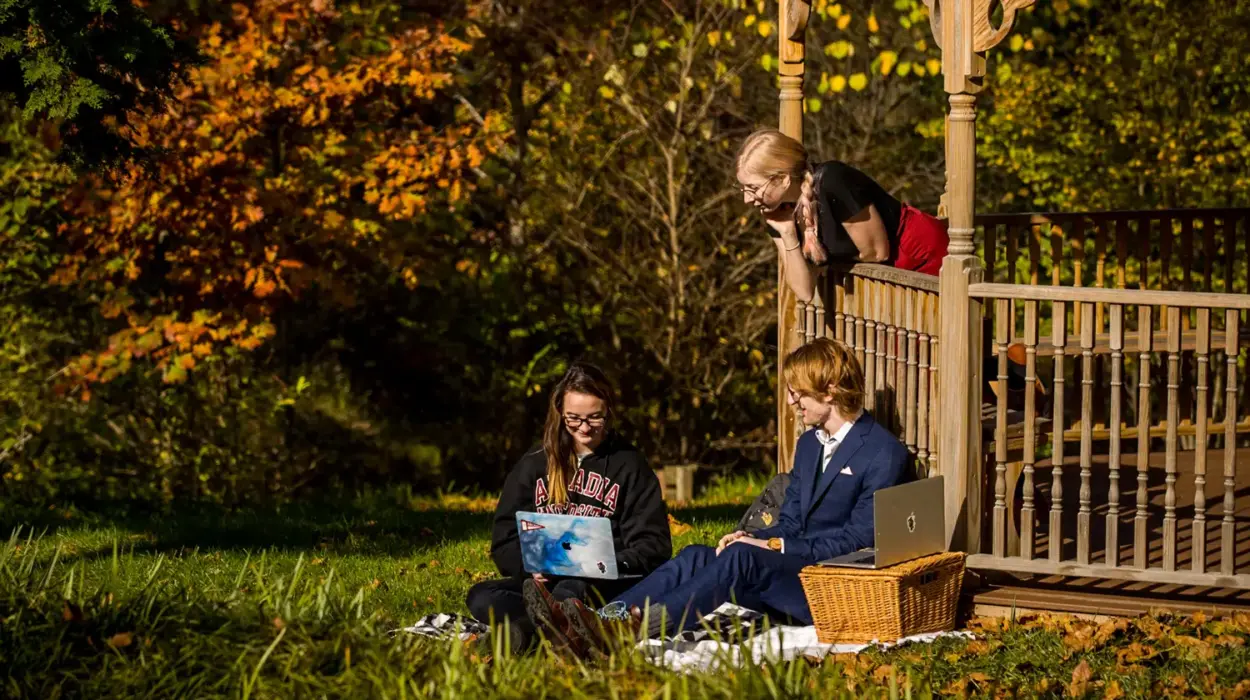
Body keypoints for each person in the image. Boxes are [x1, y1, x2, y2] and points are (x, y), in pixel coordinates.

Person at [525, 338, 911, 654]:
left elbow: (858, 540)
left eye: (798, 393)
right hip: (787, 567)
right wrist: (755, 537)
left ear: (829, 391)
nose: (792, 402)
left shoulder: (882, 452)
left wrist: (771, 546)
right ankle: (601, 619)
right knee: (697, 554)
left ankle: (629, 630)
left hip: (829, 588)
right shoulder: (811, 444)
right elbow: (790, 520)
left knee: (743, 557)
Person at [464, 362, 672, 654]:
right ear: (560, 413)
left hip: (601, 584)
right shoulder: (535, 462)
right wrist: (529, 569)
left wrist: (604, 562)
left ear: (609, 412)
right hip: (545, 583)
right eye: (573, 418)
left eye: (595, 418)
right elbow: (504, 539)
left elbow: (655, 546)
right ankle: (560, 630)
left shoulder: (630, 466)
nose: (584, 428)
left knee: (570, 588)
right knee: (482, 597)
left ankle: (526, 633)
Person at [734, 128, 950, 303]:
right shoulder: (776, 213)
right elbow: (804, 292)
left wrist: (826, 263)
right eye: (742, 188)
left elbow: (877, 252)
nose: (746, 199)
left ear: (783, 179)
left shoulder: (832, 180)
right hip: (888, 273)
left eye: (752, 188)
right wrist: (788, 233)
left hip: (918, 253)